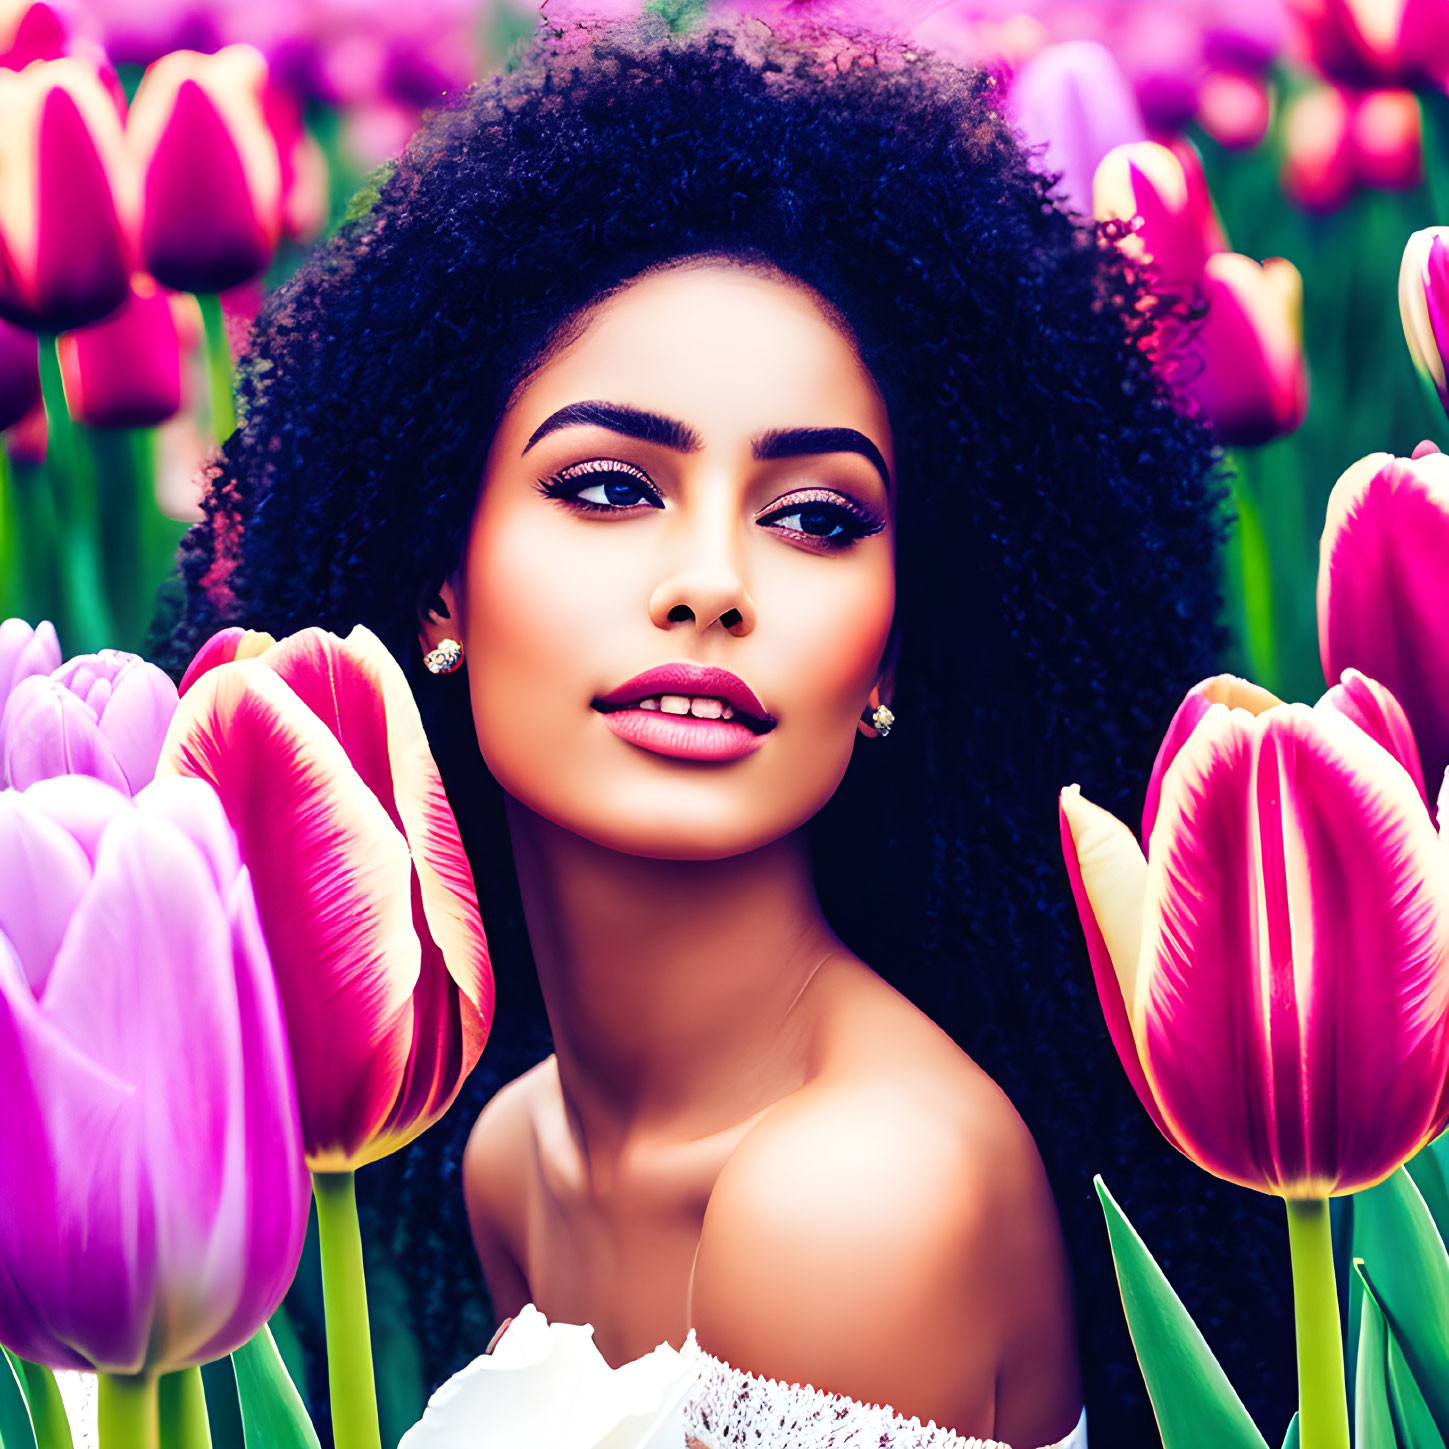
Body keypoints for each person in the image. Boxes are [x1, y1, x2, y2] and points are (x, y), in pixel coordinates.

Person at [157, 8, 1295, 1445]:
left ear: (893, 651)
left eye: (815, 517)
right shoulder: (516, 1155)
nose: (709, 583)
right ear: (437, 583)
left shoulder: (856, 1198)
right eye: (609, 486)